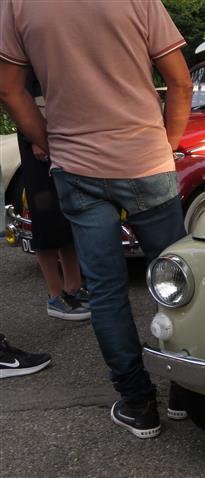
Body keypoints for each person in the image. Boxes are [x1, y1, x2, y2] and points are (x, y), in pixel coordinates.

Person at [0, 0, 193, 439]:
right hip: (145, 159)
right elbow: (181, 81)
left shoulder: (16, 4)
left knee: (105, 291)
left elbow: (9, 89)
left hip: (77, 168)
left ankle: (138, 403)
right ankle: (186, 390)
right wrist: (167, 144)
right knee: (178, 282)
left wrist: (49, 141)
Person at [16, 71, 89, 321]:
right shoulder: (21, 57)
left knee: (68, 216)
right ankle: (56, 296)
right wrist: (33, 138)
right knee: (45, 220)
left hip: (63, 139)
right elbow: (15, 95)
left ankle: (74, 288)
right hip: (36, 146)